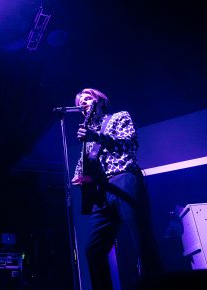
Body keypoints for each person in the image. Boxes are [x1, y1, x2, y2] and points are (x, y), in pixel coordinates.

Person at [71, 88, 162, 290]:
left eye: (87, 98)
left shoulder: (118, 117)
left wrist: (98, 137)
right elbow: (83, 163)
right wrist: (78, 176)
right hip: (101, 192)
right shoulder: (88, 134)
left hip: (124, 179)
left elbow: (129, 144)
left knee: (142, 239)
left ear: (101, 101)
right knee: (93, 250)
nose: (83, 103)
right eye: (80, 103)